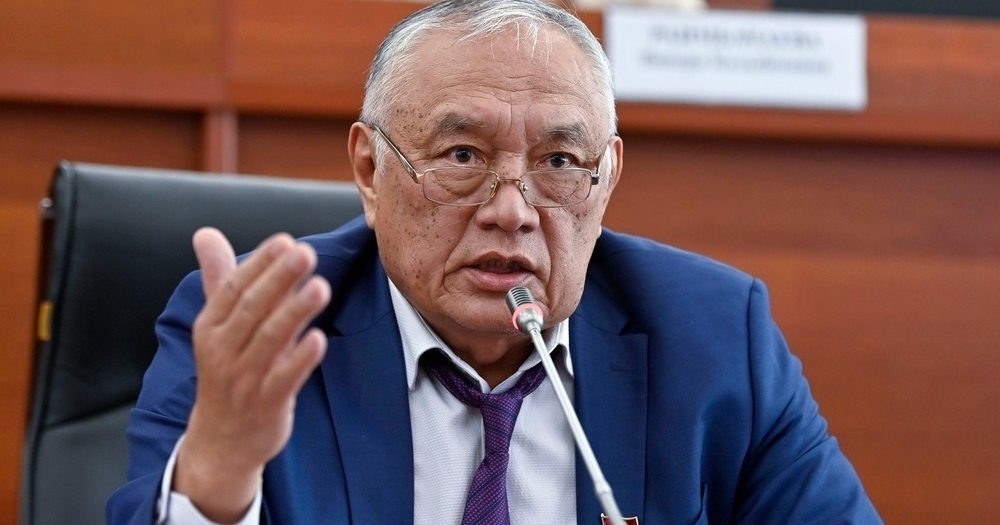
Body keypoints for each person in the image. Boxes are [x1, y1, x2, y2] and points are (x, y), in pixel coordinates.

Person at [106, 0, 882, 523]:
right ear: (371, 171)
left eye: (559, 162)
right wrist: (219, 473)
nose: (511, 209)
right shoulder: (259, 331)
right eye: (463, 155)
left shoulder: (718, 339)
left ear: (606, 179)